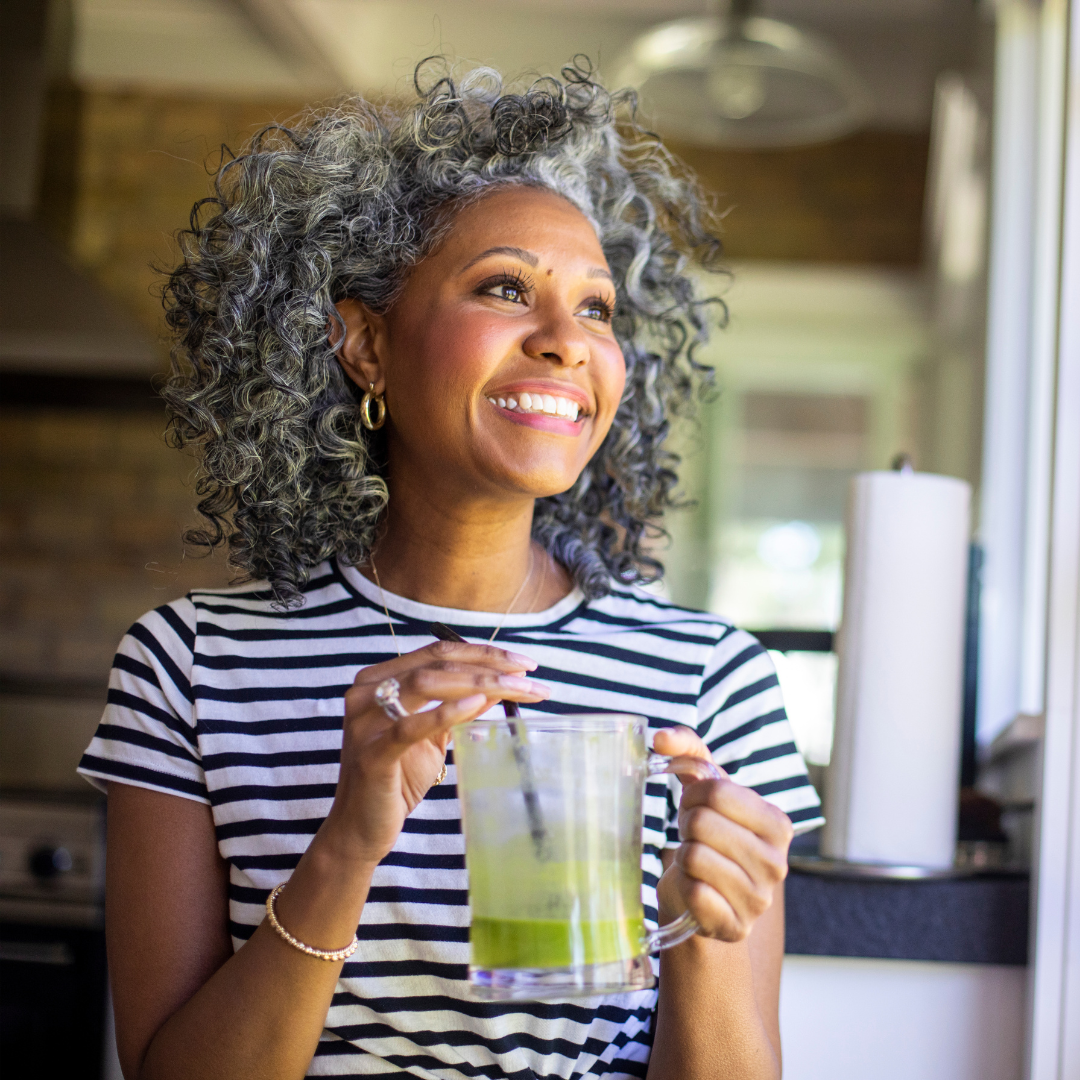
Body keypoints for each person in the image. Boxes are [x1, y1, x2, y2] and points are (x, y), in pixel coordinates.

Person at [79, 61, 822, 1080]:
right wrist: (347, 845)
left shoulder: (710, 680)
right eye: (505, 288)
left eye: (598, 309)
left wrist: (701, 936)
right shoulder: (193, 667)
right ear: (366, 344)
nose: (567, 343)